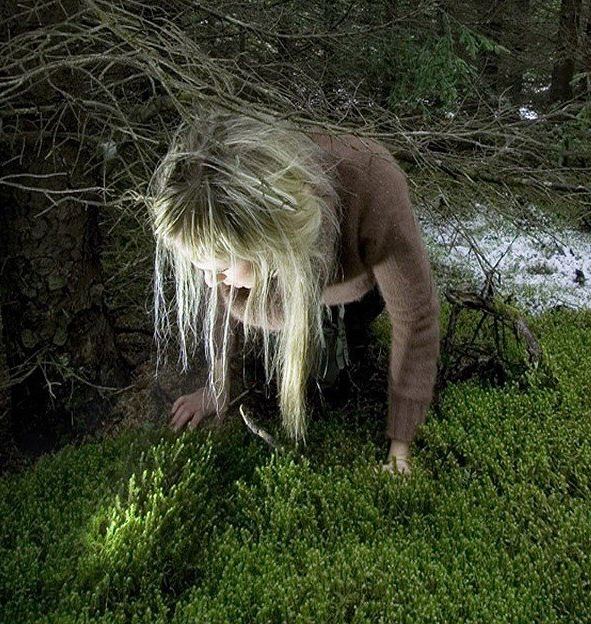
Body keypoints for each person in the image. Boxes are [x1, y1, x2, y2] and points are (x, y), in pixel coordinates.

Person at [148, 111, 440, 474]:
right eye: (203, 268)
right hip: (286, 273)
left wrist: (401, 444)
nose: (210, 281)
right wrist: (217, 387)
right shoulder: (226, 228)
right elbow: (223, 293)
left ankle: (343, 330)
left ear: (268, 245)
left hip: (359, 283)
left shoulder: (376, 188)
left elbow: (416, 315)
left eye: (220, 269)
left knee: (341, 361)